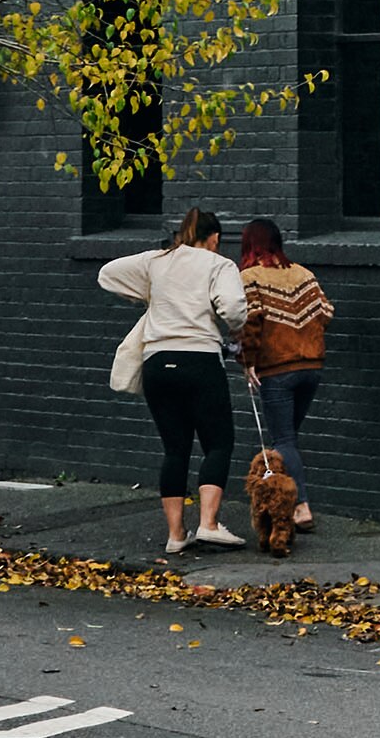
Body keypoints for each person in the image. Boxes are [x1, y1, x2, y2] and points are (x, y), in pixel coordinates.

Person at [101, 208, 248, 554]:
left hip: (157, 362)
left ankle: (176, 534)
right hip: (198, 360)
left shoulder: (157, 261)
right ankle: (209, 524)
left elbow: (108, 274)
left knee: (175, 448)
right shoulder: (219, 265)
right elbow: (233, 309)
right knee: (218, 442)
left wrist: (150, 294)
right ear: (214, 239)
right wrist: (234, 326)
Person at [232, 218, 333, 534]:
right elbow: (326, 312)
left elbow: (250, 324)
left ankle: (300, 506)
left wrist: (247, 362)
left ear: (250, 244)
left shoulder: (250, 278)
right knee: (288, 439)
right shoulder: (304, 275)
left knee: (283, 440)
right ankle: (286, 500)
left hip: (277, 370)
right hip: (311, 369)